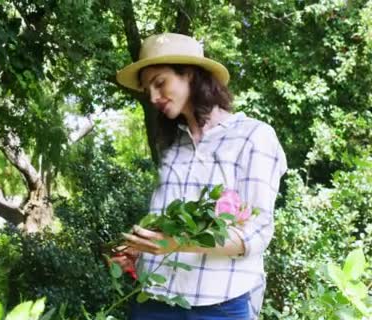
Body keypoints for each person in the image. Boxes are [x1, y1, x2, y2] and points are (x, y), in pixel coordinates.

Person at [112, 33, 287, 320]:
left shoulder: (254, 137)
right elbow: (165, 222)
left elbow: (256, 233)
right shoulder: (171, 146)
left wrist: (174, 243)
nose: (154, 97)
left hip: (219, 306)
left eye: (160, 83)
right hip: (153, 302)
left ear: (190, 75)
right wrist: (139, 250)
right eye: (148, 91)